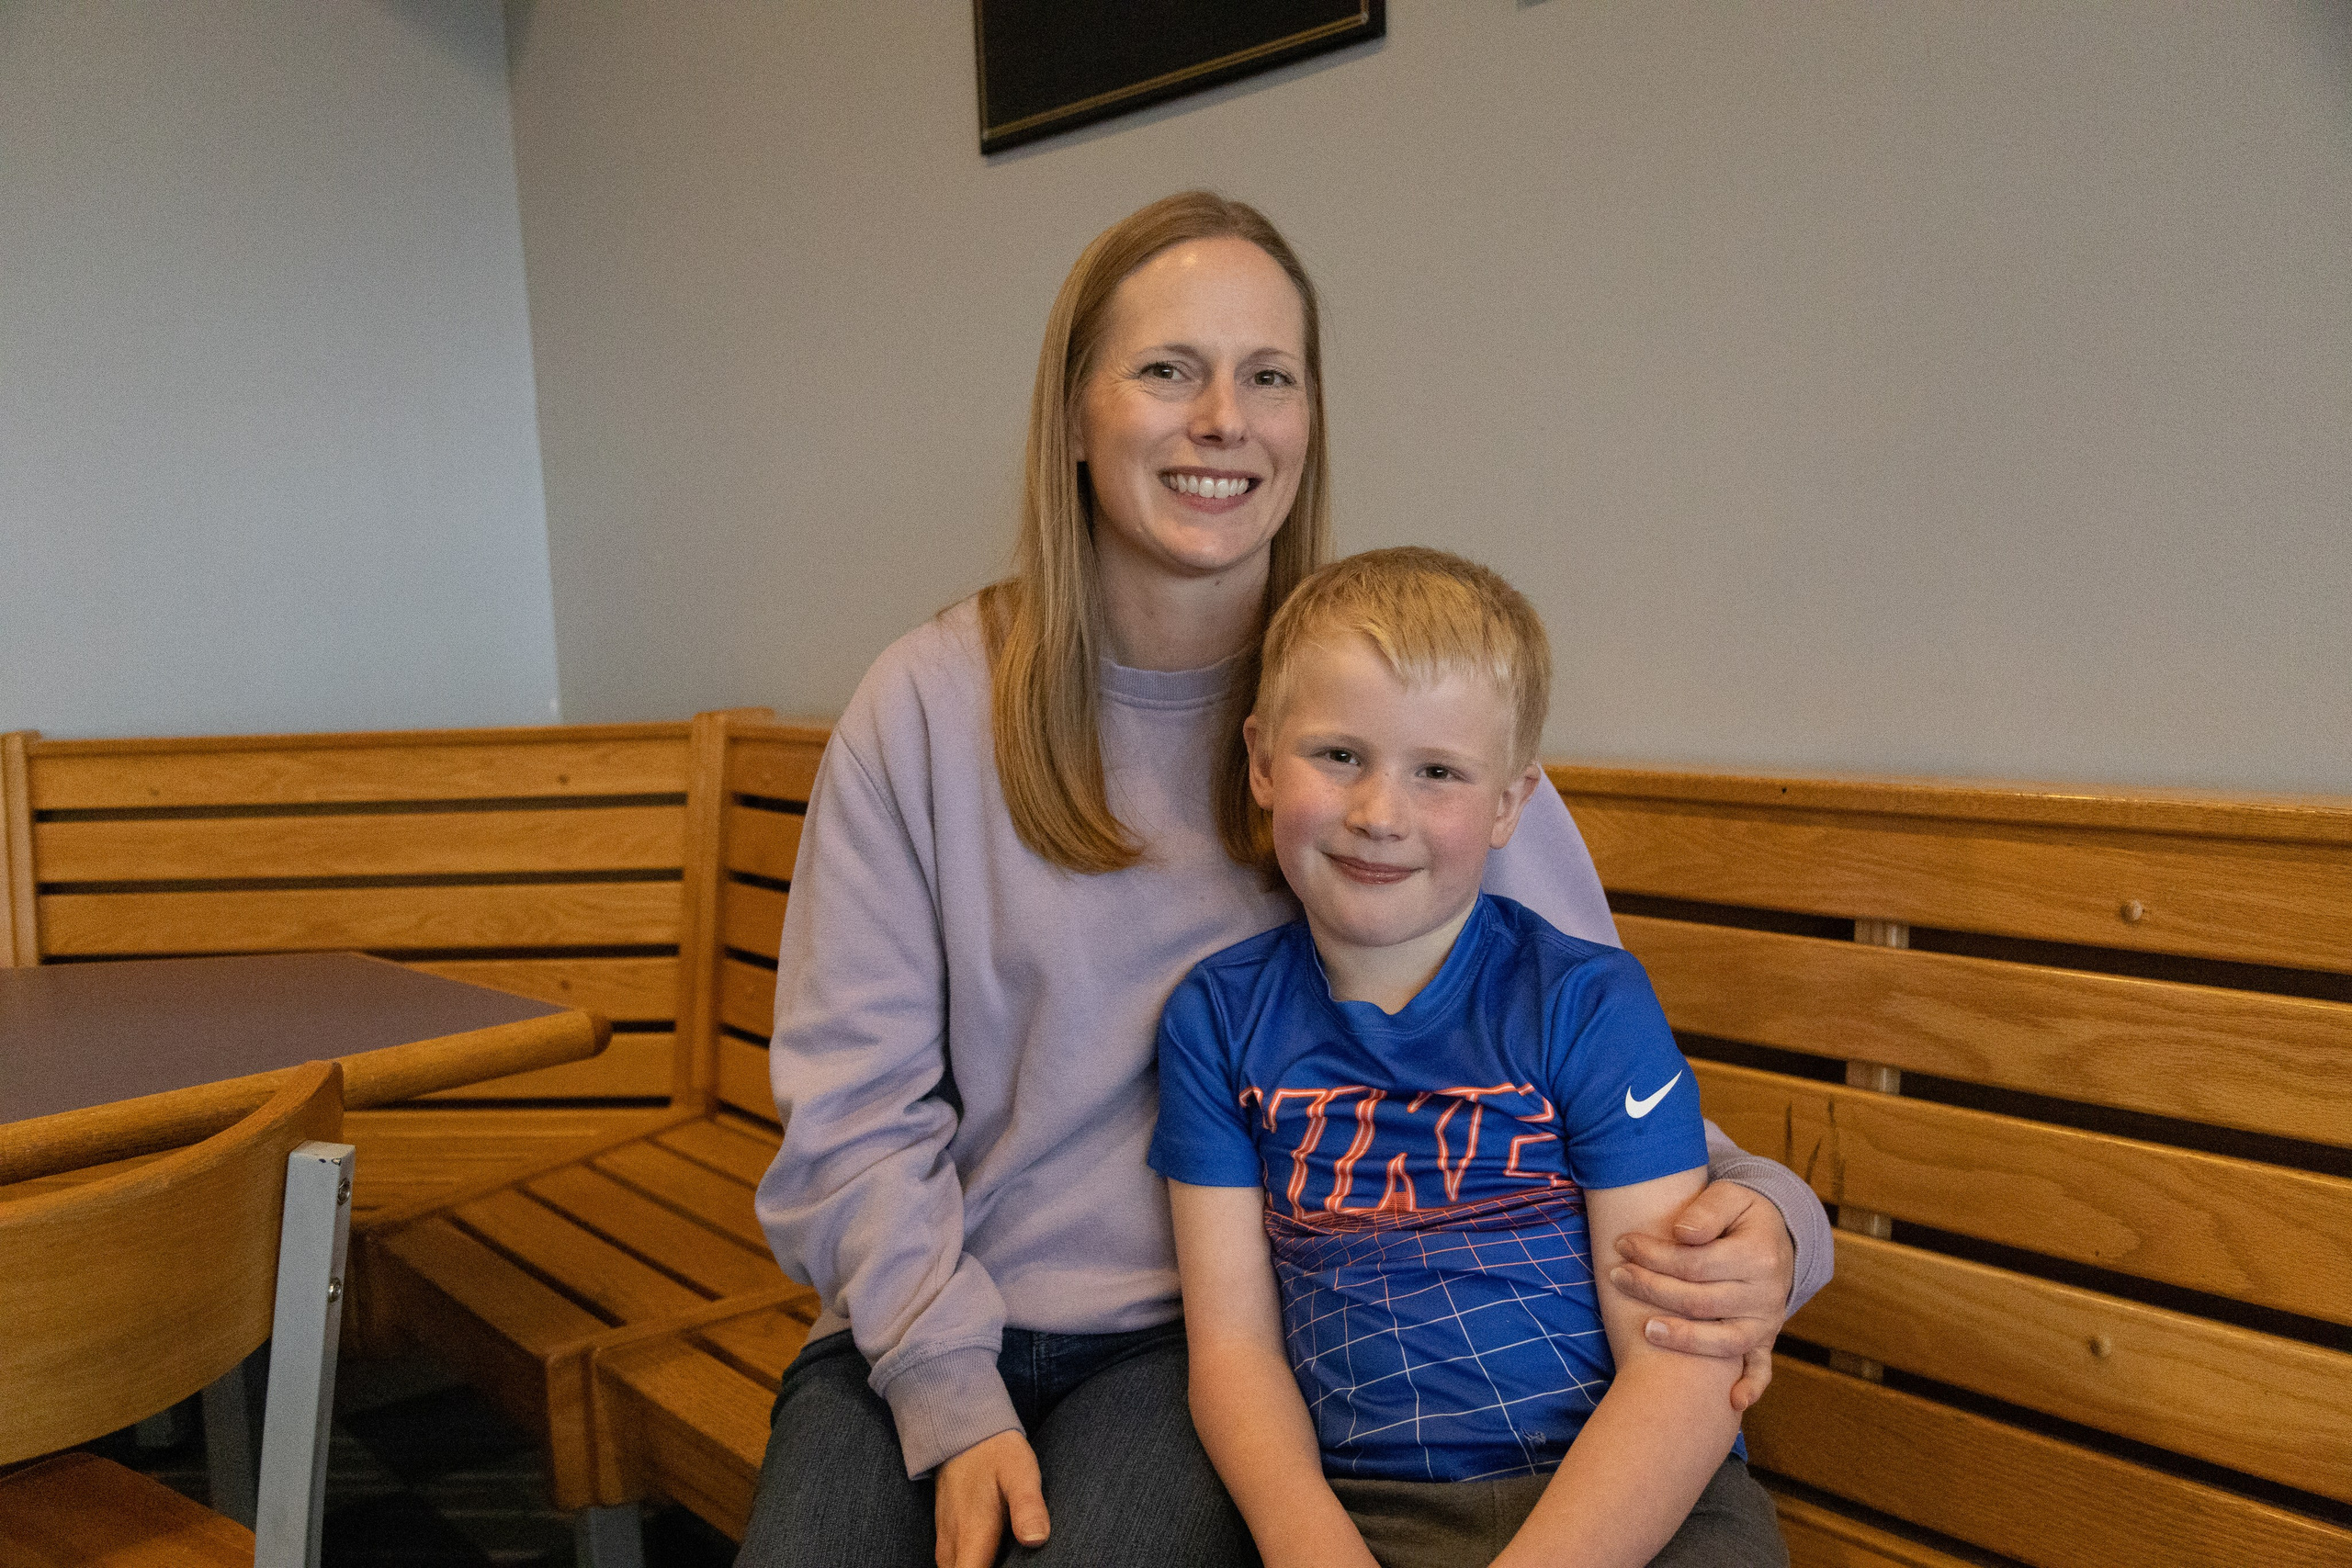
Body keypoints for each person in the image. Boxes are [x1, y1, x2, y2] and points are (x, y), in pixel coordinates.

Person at [742, 191, 1832, 1568]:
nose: (1224, 420)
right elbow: (851, 1115)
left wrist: (1780, 1221)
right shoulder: (924, 705)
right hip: (917, 1313)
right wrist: (946, 1383)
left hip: (1191, 1346)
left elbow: (1574, 1047)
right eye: (1167, 369)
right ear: (1072, 413)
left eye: (1269, 376)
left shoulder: (1394, 708)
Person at [1152, 548, 1786, 1568]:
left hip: (1628, 1497)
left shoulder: (1585, 1003)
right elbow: (1233, 1350)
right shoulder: (1216, 1020)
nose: (1379, 814)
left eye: (1437, 771)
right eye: (1339, 755)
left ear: (1508, 802)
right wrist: (1314, 1547)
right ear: (1262, 761)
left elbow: (1683, 1356)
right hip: (1362, 1510)